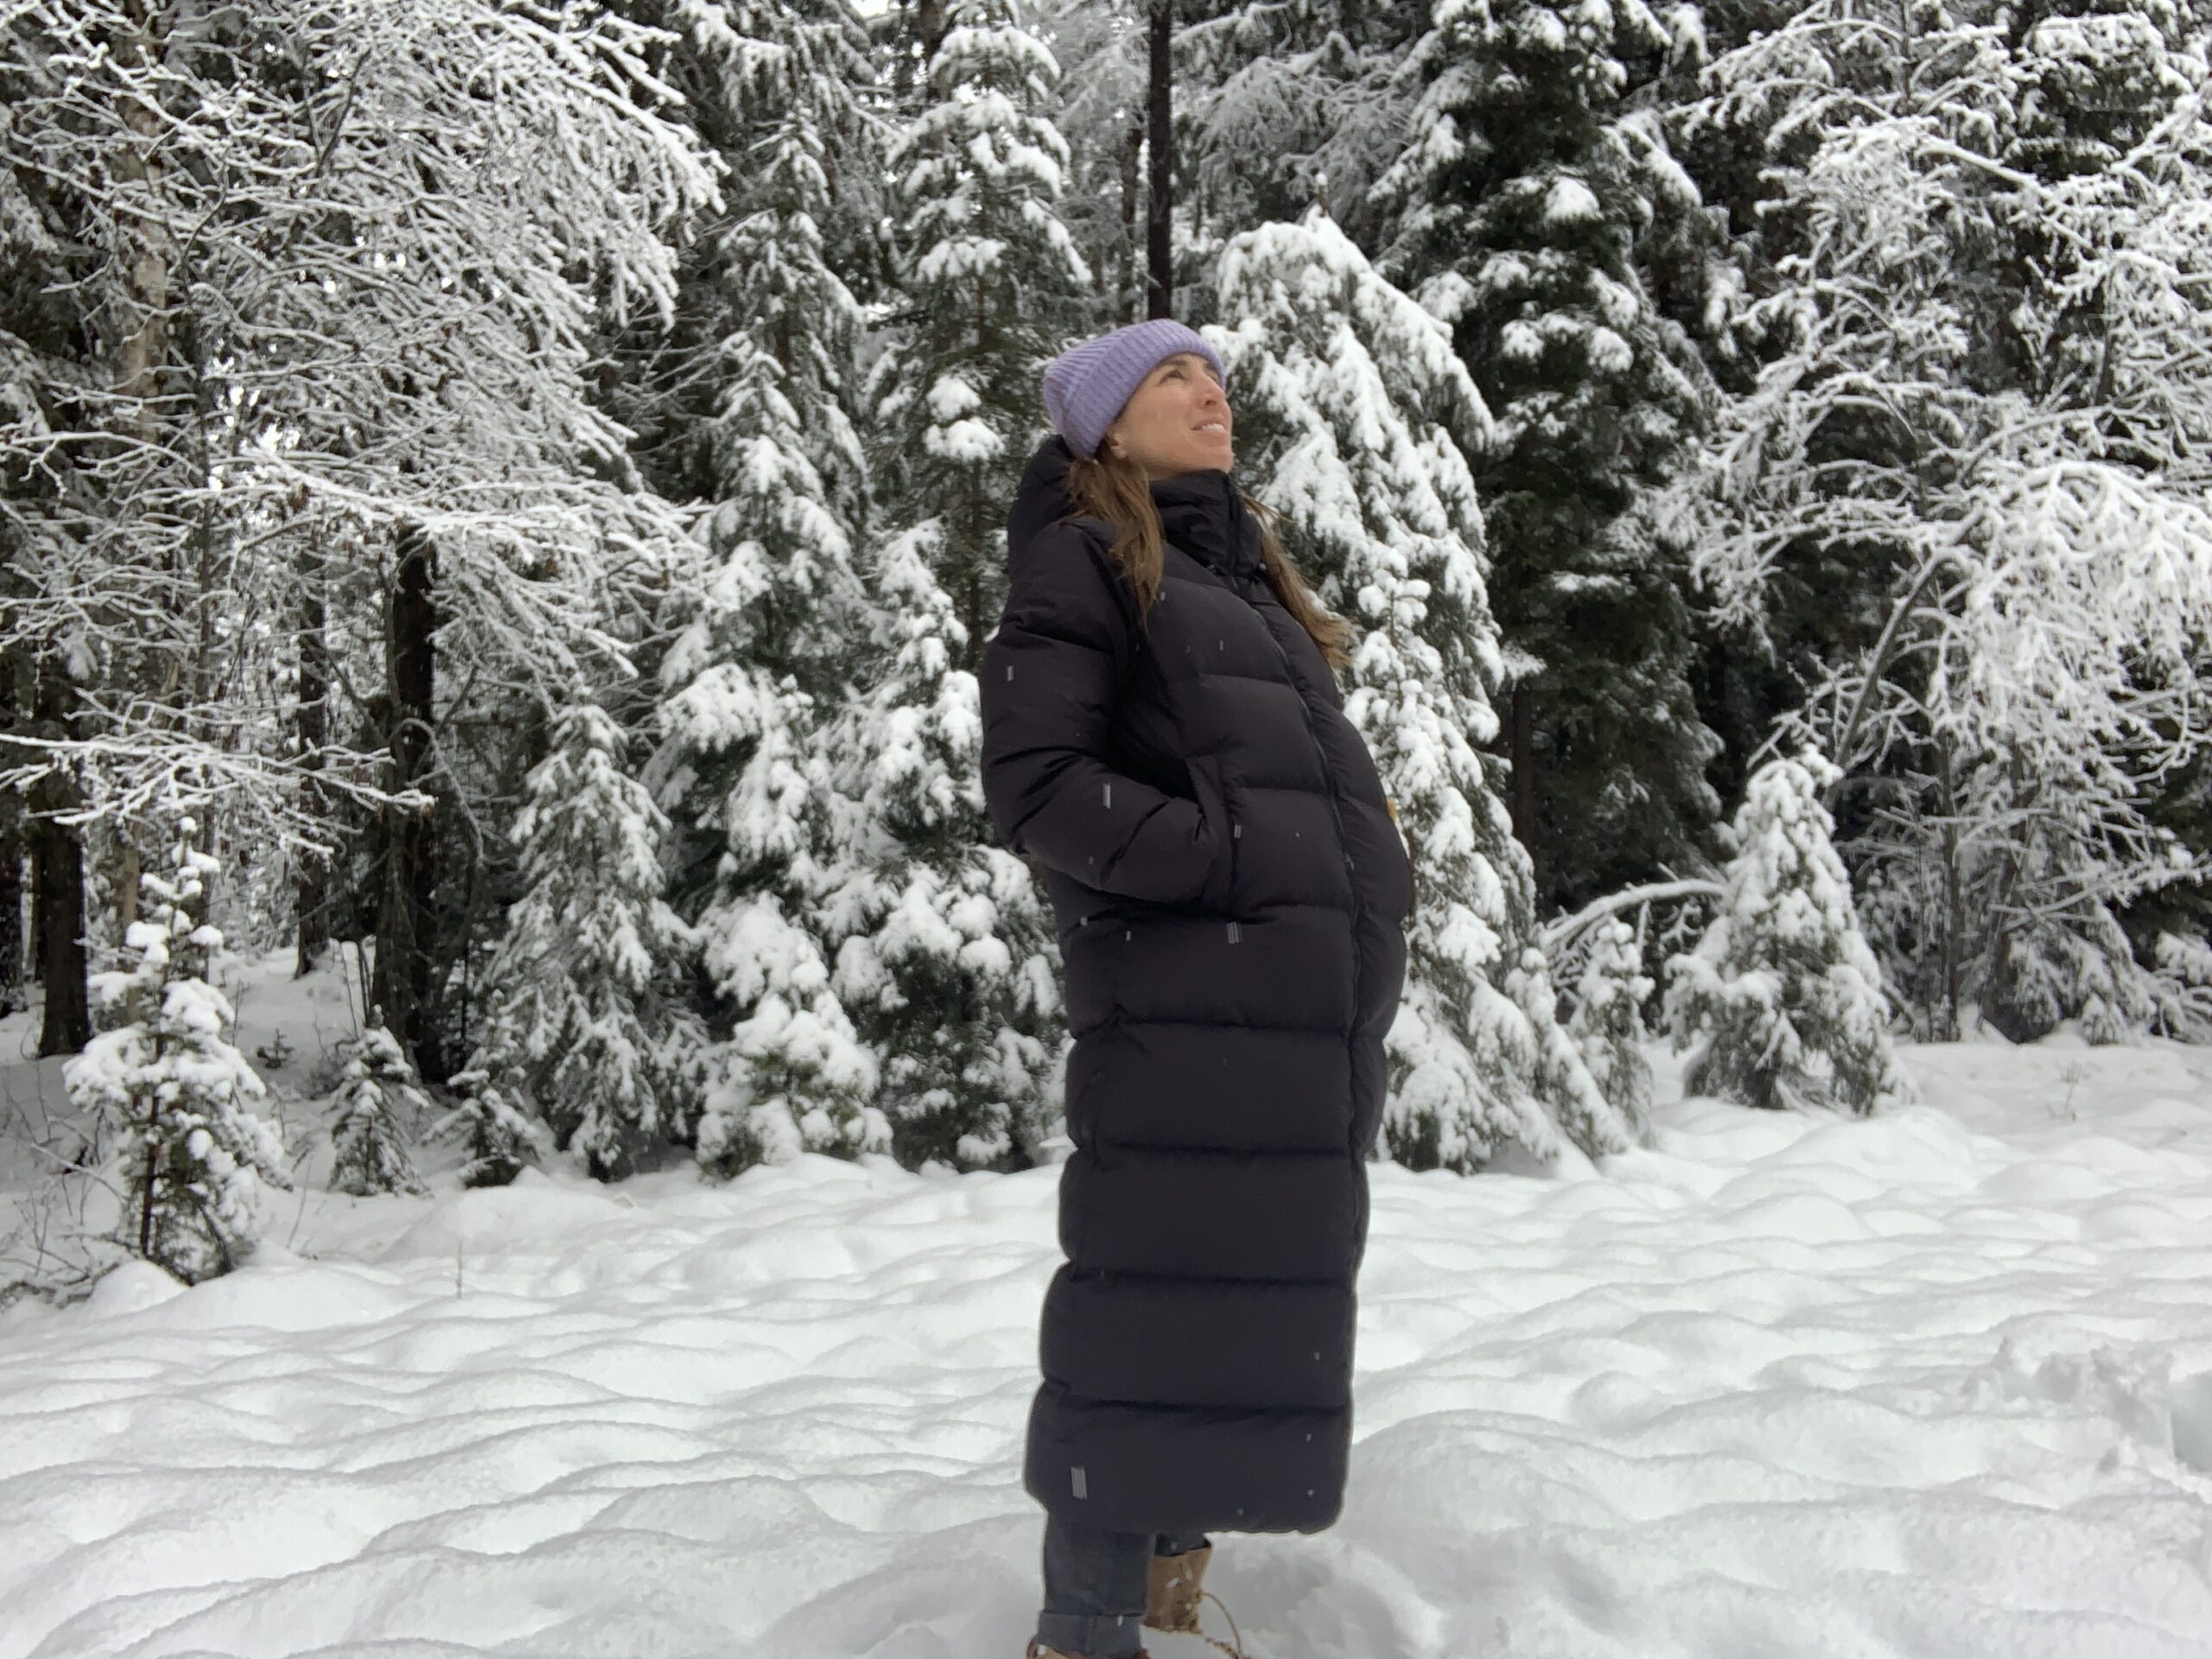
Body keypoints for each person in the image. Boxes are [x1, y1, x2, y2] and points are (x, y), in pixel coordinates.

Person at [979, 319, 1413, 1659]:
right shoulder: (1087, 556)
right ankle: (1088, 1632)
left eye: (1213, 376)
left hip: (1284, 1007)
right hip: (1183, 996)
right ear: (1105, 428)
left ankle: (1169, 1602)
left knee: (1227, 1300)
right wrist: (1219, 864)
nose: (1207, 391)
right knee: (1150, 1310)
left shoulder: (1235, 577)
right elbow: (1037, 785)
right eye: (1171, 377)